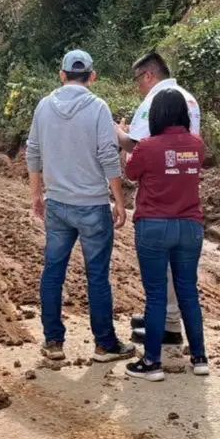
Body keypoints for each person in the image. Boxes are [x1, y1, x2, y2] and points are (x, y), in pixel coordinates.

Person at [26, 49, 137, 364]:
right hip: (92, 206)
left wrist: (36, 195)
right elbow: (107, 154)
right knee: (97, 275)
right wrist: (118, 199)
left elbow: (32, 151)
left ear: (61, 75)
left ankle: (53, 343)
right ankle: (104, 344)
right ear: (92, 76)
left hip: (57, 204)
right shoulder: (98, 108)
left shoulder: (44, 106)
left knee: (53, 272)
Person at [115, 51, 201, 348]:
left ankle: (165, 325)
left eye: (137, 80)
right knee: (183, 276)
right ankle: (179, 330)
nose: (138, 86)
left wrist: (118, 133)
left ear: (148, 75)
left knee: (159, 271)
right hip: (186, 195)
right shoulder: (187, 97)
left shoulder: (156, 99)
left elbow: (138, 148)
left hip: (157, 199)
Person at [123, 89, 208, 381]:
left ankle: (152, 363)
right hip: (190, 226)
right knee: (188, 292)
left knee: (156, 295)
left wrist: (124, 141)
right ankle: (199, 358)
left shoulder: (147, 146)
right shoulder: (197, 145)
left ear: (157, 115)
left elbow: (131, 173)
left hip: (154, 226)